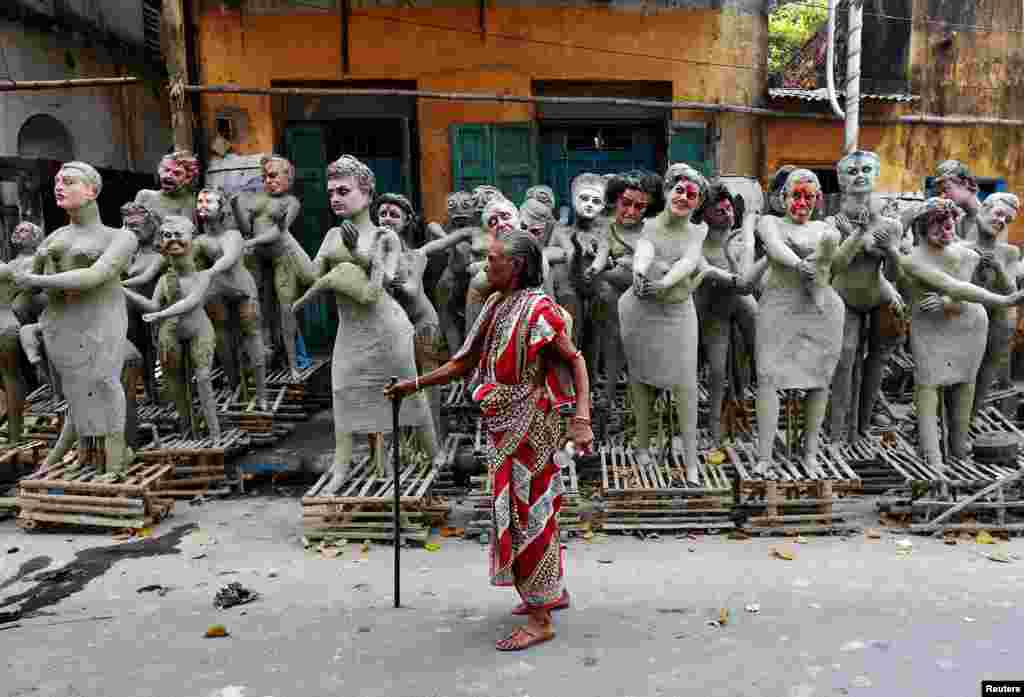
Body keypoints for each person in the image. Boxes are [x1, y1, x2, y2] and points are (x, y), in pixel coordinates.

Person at [385, 230, 593, 652]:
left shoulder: (540, 311)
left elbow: (576, 359)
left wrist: (582, 419)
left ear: (515, 266)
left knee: (528, 513)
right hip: (504, 426)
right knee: (529, 511)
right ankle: (552, 592)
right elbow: (463, 363)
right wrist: (412, 385)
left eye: (493, 258)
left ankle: (540, 619)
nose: (484, 265)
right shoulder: (496, 304)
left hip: (535, 426)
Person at [292, 155, 432, 490]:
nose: (336, 198)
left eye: (344, 190)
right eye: (331, 193)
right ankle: (341, 466)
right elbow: (311, 275)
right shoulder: (329, 236)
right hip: (351, 331)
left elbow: (380, 286)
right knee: (342, 392)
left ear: (367, 194)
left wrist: (356, 250)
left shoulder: (386, 237)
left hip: (387, 330)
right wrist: (285, 238)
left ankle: (433, 455)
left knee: (409, 394)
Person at [15, 161, 137, 473]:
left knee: (106, 381)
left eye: (69, 181)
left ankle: (115, 457)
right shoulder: (54, 238)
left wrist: (37, 280)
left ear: (92, 191)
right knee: (75, 389)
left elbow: (96, 275)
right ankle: (85, 454)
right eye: (57, 181)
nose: (60, 186)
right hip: (62, 322)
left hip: (101, 318)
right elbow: (28, 286)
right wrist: (32, 273)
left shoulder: (120, 238)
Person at [901, 198, 1024, 469]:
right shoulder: (912, 260)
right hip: (930, 327)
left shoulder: (966, 254)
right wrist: (1005, 300)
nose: (945, 231)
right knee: (927, 383)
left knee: (965, 384)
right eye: (938, 225)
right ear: (922, 226)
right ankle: (932, 455)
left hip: (969, 325)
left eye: (949, 226)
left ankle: (958, 448)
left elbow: (958, 295)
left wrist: (948, 302)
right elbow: (949, 285)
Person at [619, 164, 709, 483]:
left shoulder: (698, 231)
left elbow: (687, 262)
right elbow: (644, 251)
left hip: (676, 311)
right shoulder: (650, 225)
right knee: (642, 381)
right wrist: (640, 274)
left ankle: (691, 460)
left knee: (685, 385)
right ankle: (642, 446)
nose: (683, 197)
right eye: (679, 190)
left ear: (699, 202)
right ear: (668, 191)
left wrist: (665, 282)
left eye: (691, 194)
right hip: (641, 311)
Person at [754, 169, 843, 477]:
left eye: (808, 196)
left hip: (820, 310)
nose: (802, 202)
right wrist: (800, 263)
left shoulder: (827, 228)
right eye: (796, 195)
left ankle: (811, 454)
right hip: (778, 306)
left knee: (818, 380)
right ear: (784, 198)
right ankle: (764, 456)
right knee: (768, 378)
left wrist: (818, 259)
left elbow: (833, 258)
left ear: (818, 200)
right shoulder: (770, 222)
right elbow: (776, 248)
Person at [693, 180, 761, 443]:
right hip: (713, 311)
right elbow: (705, 271)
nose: (728, 214)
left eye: (730, 209)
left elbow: (748, 281)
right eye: (720, 211)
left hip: (743, 304)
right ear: (705, 214)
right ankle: (714, 424)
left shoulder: (742, 238)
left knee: (759, 357)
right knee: (718, 370)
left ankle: (745, 411)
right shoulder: (698, 240)